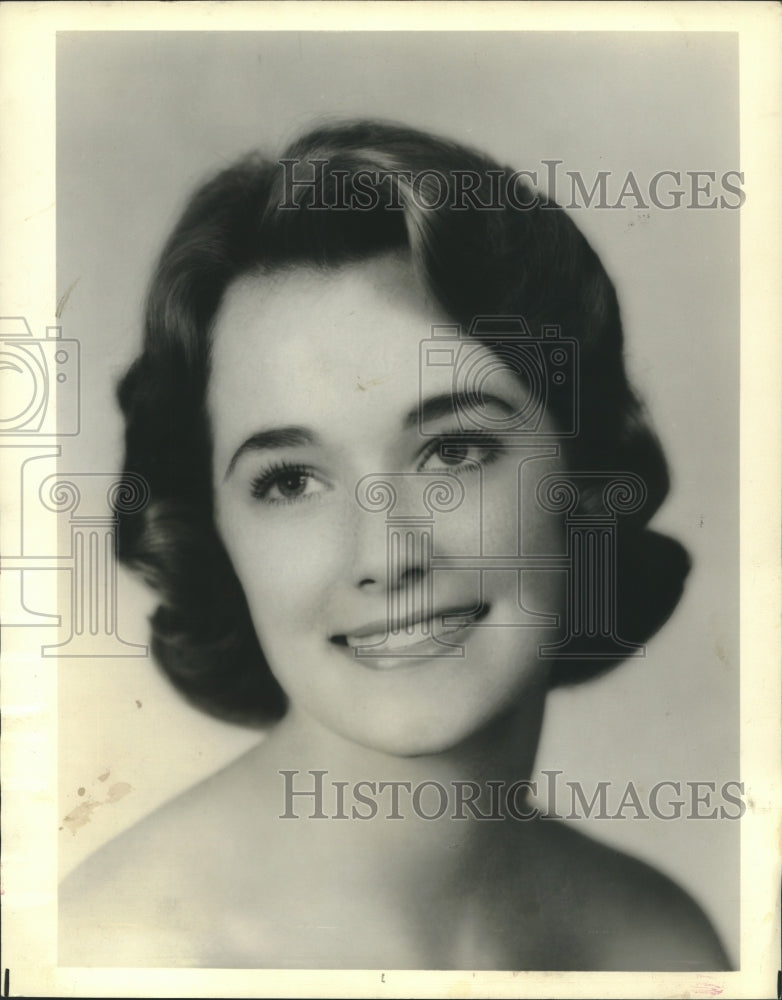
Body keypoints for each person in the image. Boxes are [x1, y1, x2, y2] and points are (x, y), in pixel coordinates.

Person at [59, 120, 730, 970]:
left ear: (584, 473)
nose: (385, 552)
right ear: (212, 534)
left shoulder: (663, 952)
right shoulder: (116, 961)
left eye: (454, 452)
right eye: (290, 482)